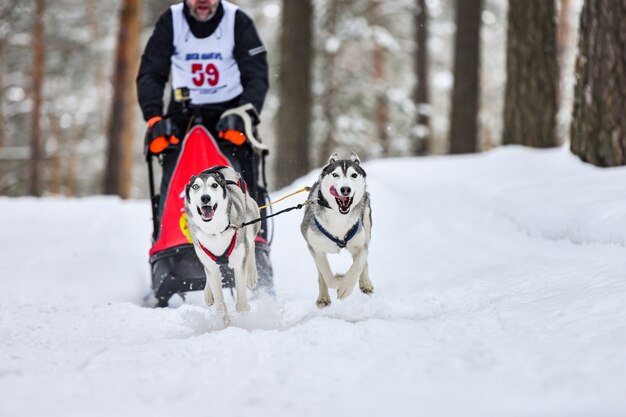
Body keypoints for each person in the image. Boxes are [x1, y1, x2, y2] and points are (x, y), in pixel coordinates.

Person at [136, 0, 273, 290]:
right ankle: (169, 244)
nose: (202, 2)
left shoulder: (237, 21)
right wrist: (154, 118)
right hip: (184, 114)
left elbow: (256, 74)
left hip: (230, 114)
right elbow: (151, 72)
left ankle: (253, 248)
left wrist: (246, 113)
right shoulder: (171, 21)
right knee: (175, 179)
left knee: (241, 181)